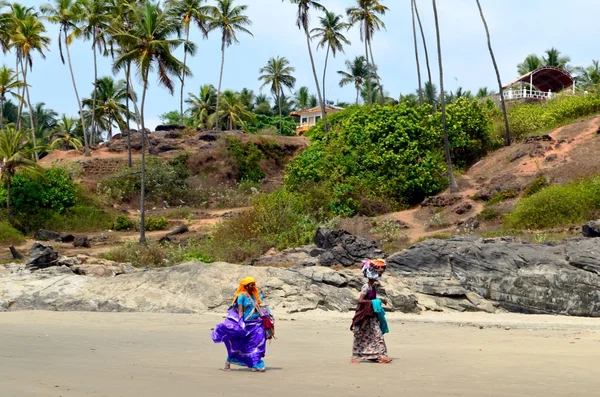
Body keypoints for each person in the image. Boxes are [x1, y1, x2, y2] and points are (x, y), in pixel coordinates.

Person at [211, 277, 271, 372]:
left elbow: (259, 307)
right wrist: (240, 322)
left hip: (256, 324)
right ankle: (229, 361)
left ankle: (256, 364)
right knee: (242, 345)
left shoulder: (255, 295)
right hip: (246, 325)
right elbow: (241, 311)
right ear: (246, 286)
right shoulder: (241, 296)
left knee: (258, 343)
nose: (253, 286)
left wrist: (264, 316)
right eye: (251, 285)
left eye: (254, 284)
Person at [350, 259, 392, 364]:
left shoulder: (372, 286)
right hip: (365, 315)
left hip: (371, 315)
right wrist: (376, 301)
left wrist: (379, 300)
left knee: (375, 334)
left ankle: (379, 355)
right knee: (361, 335)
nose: (380, 272)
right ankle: (356, 356)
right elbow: (360, 300)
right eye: (378, 270)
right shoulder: (366, 287)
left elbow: (371, 299)